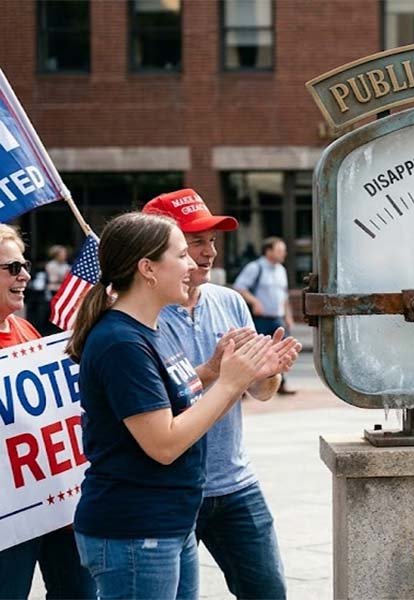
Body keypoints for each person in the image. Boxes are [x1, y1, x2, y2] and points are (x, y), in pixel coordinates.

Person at [66, 212, 289, 599]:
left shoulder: (147, 329)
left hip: (169, 521)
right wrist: (231, 381)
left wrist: (230, 371)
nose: (195, 263)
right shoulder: (122, 343)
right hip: (136, 528)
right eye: (183, 254)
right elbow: (165, 444)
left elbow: (182, 405)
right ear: (147, 269)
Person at [144, 189, 300, 599]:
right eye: (196, 241)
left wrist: (270, 373)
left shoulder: (229, 302)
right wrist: (213, 372)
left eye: (212, 241)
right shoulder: (140, 316)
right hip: (172, 490)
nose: (209, 252)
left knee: (268, 592)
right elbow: (149, 402)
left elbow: (261, 393)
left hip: (235, 482)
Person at [0, 226, 95, 600]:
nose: (24, 274)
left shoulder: (25, 330)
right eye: (12, 267)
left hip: (57, 508)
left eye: (23, 264)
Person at [233, 237, 296, 395]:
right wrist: (255, 302)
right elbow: (239, 287)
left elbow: (284, 295)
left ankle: (280, 384)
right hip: (260, 319)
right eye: (280, 250)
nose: (284, 253)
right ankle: (244, 387)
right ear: (268, 251)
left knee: (282, 351)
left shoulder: (281, 269)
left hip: (277, 318)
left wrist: (288, 316)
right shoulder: (255, 267)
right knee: (255, 353)